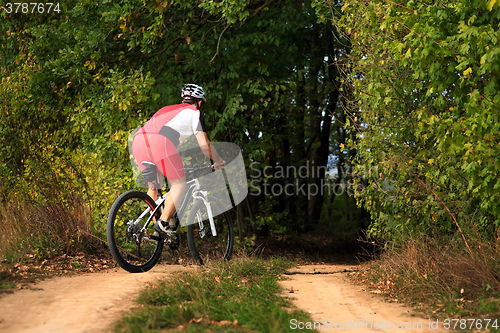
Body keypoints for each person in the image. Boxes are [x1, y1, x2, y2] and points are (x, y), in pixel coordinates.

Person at [132, 84, 225, 234]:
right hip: (159, 142)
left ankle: (157, 229)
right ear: (200, 102)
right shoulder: (195, 112)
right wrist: (218, 161)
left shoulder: (166, 109)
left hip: (139, 141)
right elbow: (204, 145)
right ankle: (163, 222)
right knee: (180, 183)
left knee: (154, 186)